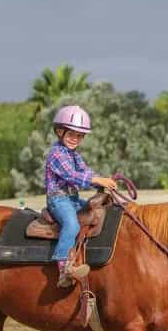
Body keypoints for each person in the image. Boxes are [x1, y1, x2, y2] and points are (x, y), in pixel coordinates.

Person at [45, 105, 117, 288]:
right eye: (71, 134)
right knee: (72, 224)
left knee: (98, 212)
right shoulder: (56, 154)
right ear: (60, 132)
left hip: (73, 199)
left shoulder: (74, 155)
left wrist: (102, 181)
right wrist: (97, 179)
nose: (74, 139)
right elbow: (71, 175)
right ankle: (64, 266)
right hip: (59, 200)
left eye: (79, 136)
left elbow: (85, 172)